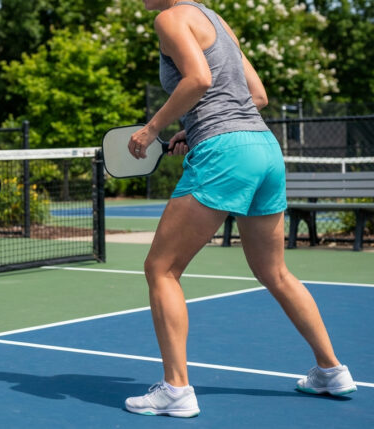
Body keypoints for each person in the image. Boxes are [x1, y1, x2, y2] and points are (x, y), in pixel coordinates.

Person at [123, 0, 356, 418]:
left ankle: (176, 389)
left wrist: (152, 128)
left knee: (161, 269)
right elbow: (258, 95)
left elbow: (198, 79)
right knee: (275, 272)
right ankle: (331, 370)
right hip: (263, 148)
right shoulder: (215, 20)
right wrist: (191, 129)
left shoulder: (169, 18)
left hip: (225, 152)